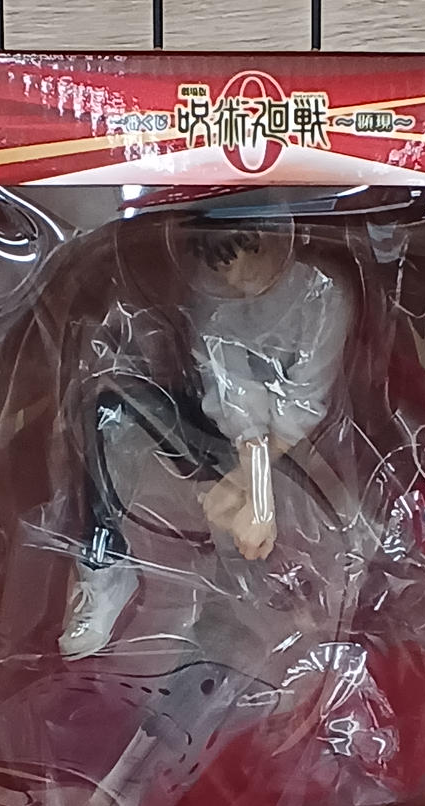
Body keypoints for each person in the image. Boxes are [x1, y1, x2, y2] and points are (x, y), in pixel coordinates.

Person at [58, 219, 352, 660]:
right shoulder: (212, 294)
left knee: (295, 556)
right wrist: (248, 484)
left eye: (249, 256)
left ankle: (295, 611)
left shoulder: (322, 292)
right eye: (222, 267)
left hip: (300, 456)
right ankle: (106, 562)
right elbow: (232, 393)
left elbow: (303, 404)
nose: (237, 279)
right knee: (110, 406)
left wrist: (254, 490)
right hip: (231, 442)